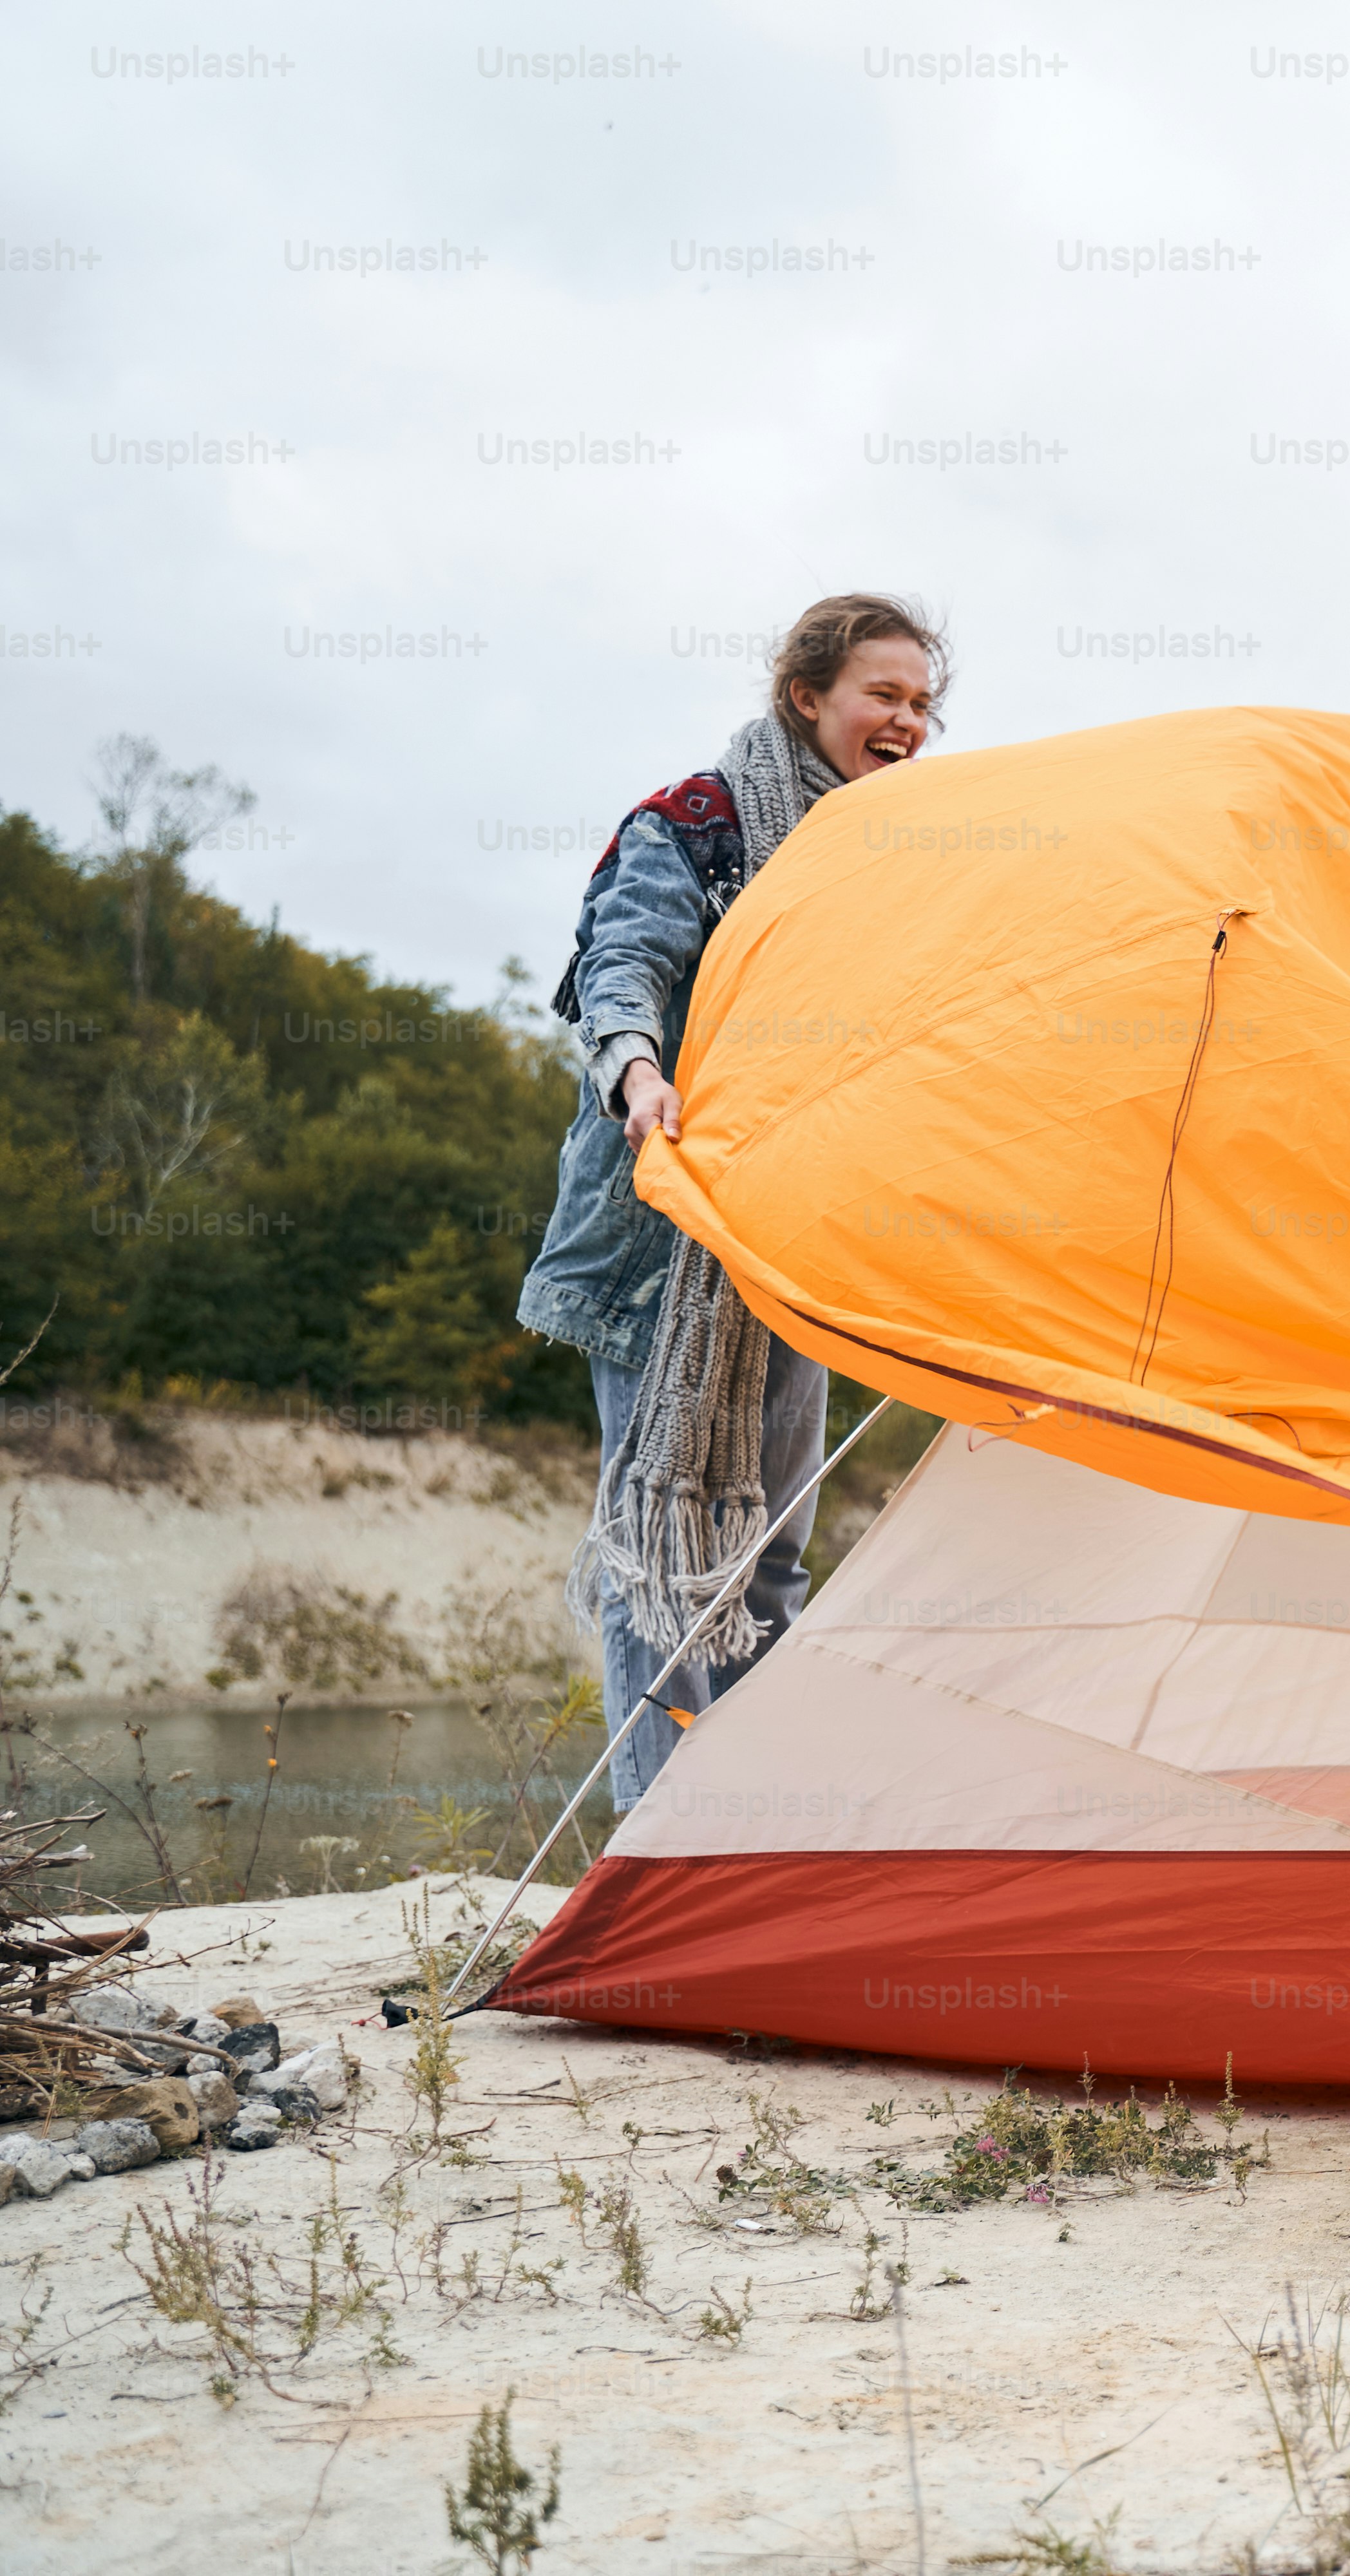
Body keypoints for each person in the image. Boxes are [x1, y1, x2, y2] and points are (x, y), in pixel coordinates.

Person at [516, 594, 947, 1806]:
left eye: (924, 704)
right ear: (808, 696)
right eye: (885, 695)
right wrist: (639, 1071)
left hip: (796, 1244)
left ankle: (756, 1846)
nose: (908, 721)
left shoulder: (893, 858)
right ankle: (663, 1853)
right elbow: (626, 960)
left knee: (770, 1558)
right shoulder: (696, 824)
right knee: (665, 1550)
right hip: (667, 1235)